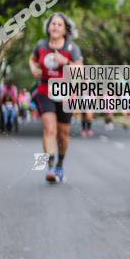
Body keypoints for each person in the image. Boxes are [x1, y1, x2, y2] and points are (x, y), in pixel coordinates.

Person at [29, 13, 84, 184]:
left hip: (66, 92)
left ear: (65, 29)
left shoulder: (71, 48)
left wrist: (65, 63)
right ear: (48, 27)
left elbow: (80, 72)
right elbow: (32, 59)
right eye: (53, 24)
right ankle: (51, 167)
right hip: (45, 90)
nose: (55, 27)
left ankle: (60, 164)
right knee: (49, 129)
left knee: (63, 134)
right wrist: (33, 68)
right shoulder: (41, 45)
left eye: (59, 25)